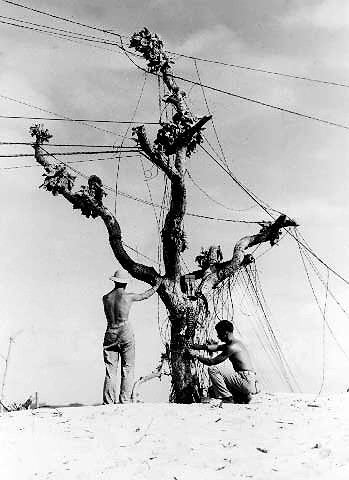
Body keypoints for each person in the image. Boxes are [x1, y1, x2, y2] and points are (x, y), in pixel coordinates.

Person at [102, 270, 162, 404]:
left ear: (115, 281)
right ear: (125, 283)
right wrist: (157, 285)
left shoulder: (105, 298)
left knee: (110, 370)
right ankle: (125, 400)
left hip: (110, 330)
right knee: (127, 368)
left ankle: (108, 402)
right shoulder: (128, 297)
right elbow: (145, 295)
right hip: (124, 330)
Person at [185, 320, 260, 404]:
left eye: (219, 333)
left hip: (245, 380)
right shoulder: (235, 343)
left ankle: (227, 398)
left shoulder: (232, 347)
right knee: (212, 390)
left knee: (213, 369)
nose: (218, 336)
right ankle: (243, 396)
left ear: (225, 333)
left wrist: (196, 355)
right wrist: (197, 346)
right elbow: (216, 347)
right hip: (250, 381)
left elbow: (212, 362)